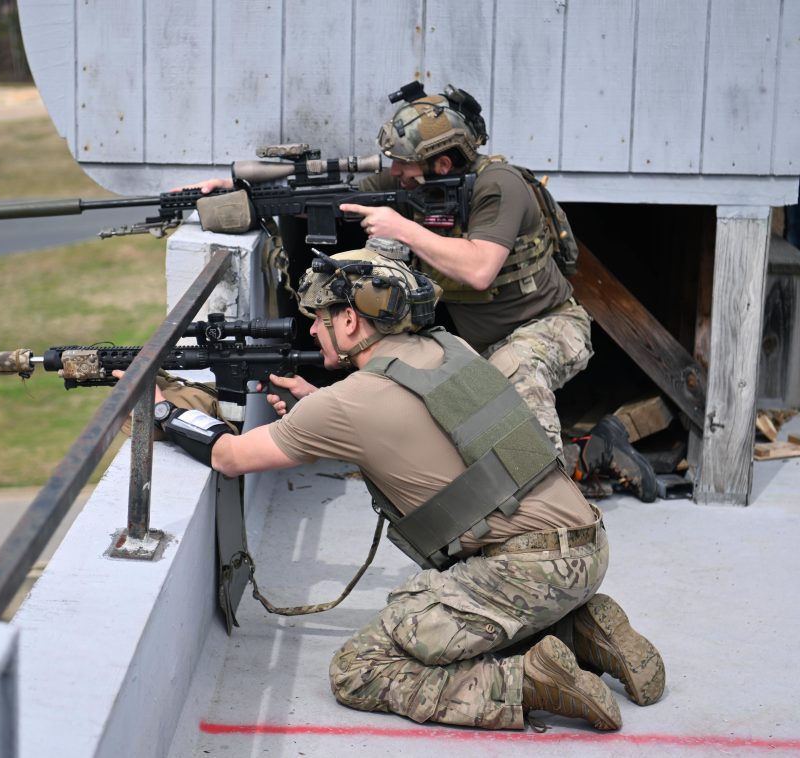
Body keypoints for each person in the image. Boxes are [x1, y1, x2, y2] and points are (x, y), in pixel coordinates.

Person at [127, 239, 665, 732]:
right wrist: (317, 407)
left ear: (350, 320)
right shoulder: (448, 348)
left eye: (319, 319)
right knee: (473, 606)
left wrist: (162, 411)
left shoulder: (347, 403)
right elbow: (427, 429)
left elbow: (228, 456)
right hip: (587, 544)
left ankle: (528, 682)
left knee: (359, 669)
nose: (312, 331)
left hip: (527, 568)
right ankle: (581, 630)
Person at [179, 81, 657, 501]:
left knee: (514, 373)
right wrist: (238, 191)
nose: (395, 172)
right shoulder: (413, 186)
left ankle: (547, 511)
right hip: (478, 345)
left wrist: (402, 229)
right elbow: (327, 202)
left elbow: (480, 269)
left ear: (441, 163)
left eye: (403, 164)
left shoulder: (500, 186)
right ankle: (589, 452)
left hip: (551, 325)